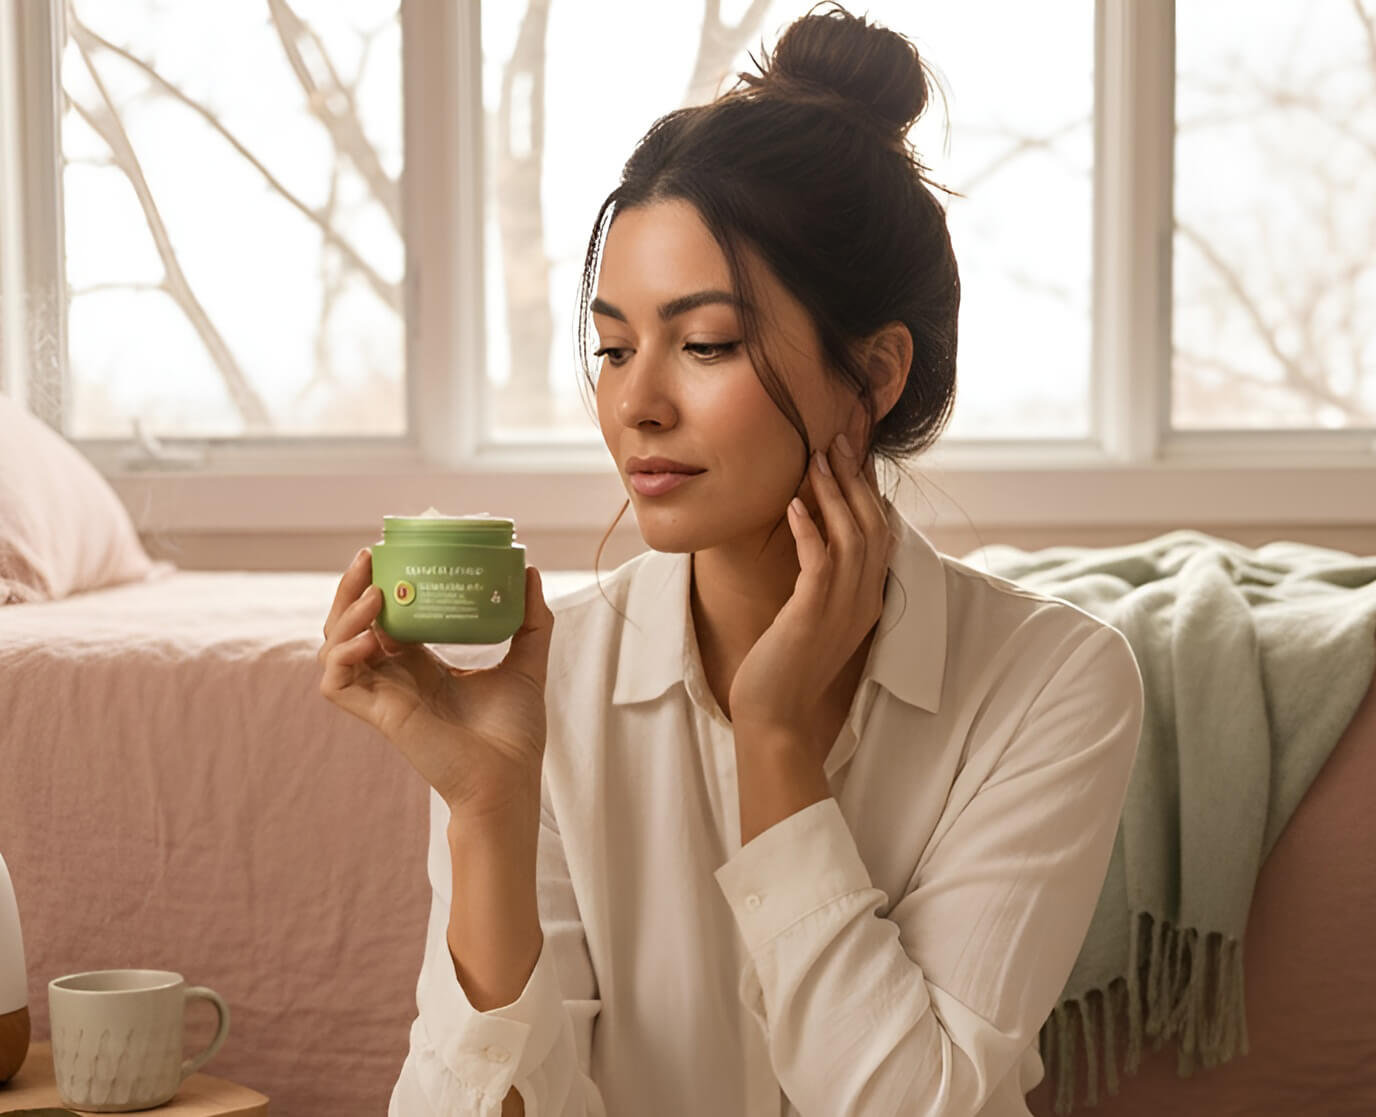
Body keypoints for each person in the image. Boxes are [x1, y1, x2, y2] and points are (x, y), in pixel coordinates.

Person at [319, 7, 1143, 1114]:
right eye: (611, 348)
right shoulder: (545, 685)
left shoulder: (1053, 682)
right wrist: (485, 810)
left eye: (703, 344)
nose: (635, 404)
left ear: (875, 370)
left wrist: (774, 739)